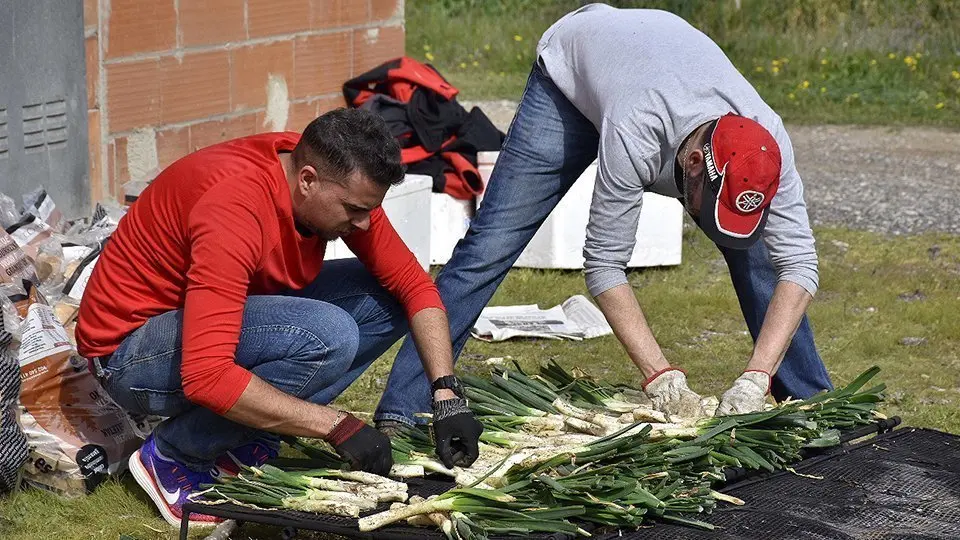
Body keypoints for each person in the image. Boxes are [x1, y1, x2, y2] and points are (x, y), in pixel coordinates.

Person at [376, 3, 833, 431]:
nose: (712, 227)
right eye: (710, 210)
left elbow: (800, 265)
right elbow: (604, 265)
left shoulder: (766, 142)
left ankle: (812, 406)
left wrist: (757, 374)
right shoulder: (638, 129)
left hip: (656, 59)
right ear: (694, 165)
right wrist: (660, 377)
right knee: (491, 244)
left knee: (757, 256)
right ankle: (405, 405)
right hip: (571, 73)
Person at [75, 108, 482, 526]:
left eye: (369, 209)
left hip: (209, 319)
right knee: (327, 335)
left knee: (387, 296)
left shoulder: (330, 170)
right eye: (354, 209)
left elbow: (414, 286)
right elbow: (206, 374)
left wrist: (446, 394)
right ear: (307, 180)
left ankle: (249, 433)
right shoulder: (235, 208)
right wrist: (337, 426)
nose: (364, 222)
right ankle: (175, 454)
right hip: (130, 353)